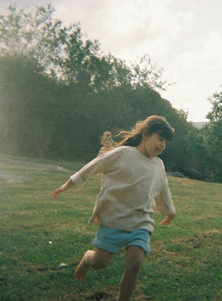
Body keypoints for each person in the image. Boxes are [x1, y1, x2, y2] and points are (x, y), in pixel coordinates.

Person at [50, 115, 176, 301]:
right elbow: (93, 166)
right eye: (160, 138)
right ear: (145, 134)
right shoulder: (123, 153)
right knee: (100, 262)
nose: (163, 145)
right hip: (114, 220)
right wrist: (66, 185)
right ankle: (87, 258)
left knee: (135, 263)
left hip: (141, 222)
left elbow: (162, 189)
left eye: (165, 141)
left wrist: (169, 211)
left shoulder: (158, 165)